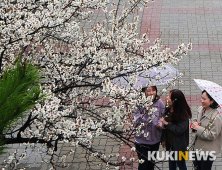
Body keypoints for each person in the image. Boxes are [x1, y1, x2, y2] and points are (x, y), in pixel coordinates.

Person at [133, 86, 165, 170]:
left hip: (155, 140)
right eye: (149, 90)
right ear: (144, 92)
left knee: (151, 165)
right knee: (143, 165)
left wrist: (160, 123)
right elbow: (136, 121)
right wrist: (147, 113)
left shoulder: (159, 103)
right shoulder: (138, 103)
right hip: (141, 141)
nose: (151, 93)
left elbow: (162, 117)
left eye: (154, 90)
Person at [160, 89, 192, 170]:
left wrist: (167, 123)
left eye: (170, 97)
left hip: (180, 146)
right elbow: (164, 125)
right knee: (171, 163)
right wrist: (163, 139)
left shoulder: (184, 114)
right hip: (169, 143)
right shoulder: (168, 108)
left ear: (175, 101)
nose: (167, 98)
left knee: (181, 165)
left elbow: (179, 130)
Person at [191, 90, 222, 170]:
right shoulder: (201, 109)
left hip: (208, 151)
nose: (201, 100)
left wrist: (198, 128)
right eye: (201, 97)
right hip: (197, 147)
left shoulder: (216, 117)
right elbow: (197, 119)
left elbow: (213, 135)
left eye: (204, 99)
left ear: (212, 101)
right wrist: (194, 123)